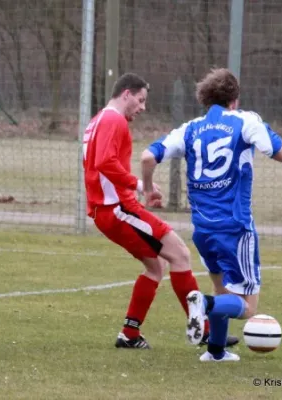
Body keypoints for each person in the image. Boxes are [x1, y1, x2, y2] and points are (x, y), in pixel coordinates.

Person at [140, 68, 282, 361]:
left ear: (205, 99)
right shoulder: (245, 120)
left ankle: (215, 352)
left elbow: (148, 156)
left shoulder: (189, 128)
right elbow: (271, 145)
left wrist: (149, 188)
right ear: (235, 99)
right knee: (246, 306)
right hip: (236, 228)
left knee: (222, 287)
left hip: (203, 229)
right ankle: (202, 303)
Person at [82, 72, 238, 349]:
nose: (142, 107)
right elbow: (103, 162)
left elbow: (99, 164)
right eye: (140, 100)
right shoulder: (113, 119)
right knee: (179, 254)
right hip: (116, 209)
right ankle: (204, 329)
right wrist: (140, 185)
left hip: (107, 210)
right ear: (126, 94)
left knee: (156, 266)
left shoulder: (97, 120)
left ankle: (129, 334)